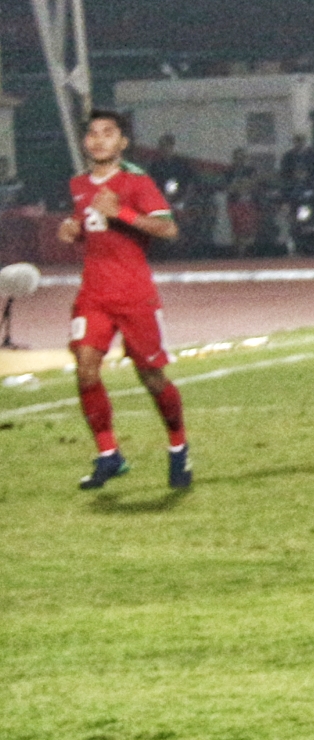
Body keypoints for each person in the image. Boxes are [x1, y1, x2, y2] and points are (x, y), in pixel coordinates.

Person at [58, 109, 190, 491]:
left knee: (151, 377)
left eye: (108, 133)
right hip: (93, 295)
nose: (99, 140)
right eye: (93, 134)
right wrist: (72, 230)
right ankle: (108, 455)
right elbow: (89, 225)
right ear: (86, 142)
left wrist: (123, 213)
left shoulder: (136, 182)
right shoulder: (78, 184)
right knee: (85, 369)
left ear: (122, 142)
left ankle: (179, 447)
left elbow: (168, 229)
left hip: (134, 296)